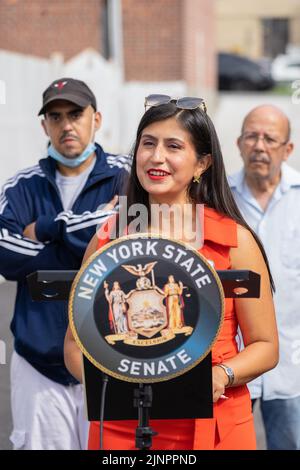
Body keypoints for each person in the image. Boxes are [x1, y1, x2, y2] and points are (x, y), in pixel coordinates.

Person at [64, 95, 278, 450]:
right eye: (148, 143)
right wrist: (108, 383)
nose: (156, 156)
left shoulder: (234, 240)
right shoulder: (108, 238)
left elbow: (266, 346)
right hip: (123, 429)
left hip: (214, 425)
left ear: (202, 163)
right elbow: (75, 346)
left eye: (173, 146)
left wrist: (221, 375)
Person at [0, 77, 130, 450]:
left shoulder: (127, 176)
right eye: (55, 117)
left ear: (97, 118)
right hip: (40, 363)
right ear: (44, 126)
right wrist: (92, 234)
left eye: (76, 114)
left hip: (113, 358)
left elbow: (128, 236)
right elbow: (6, 257)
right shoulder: (21, 187)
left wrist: (45, 228)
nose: (66, 125)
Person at [228, 104, 300, 450]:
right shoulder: (215, 200)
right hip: (230, 366)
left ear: (288, 149)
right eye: (252, 136)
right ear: (238, 143)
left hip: (293, 368)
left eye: (270, 139)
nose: (259, 146)